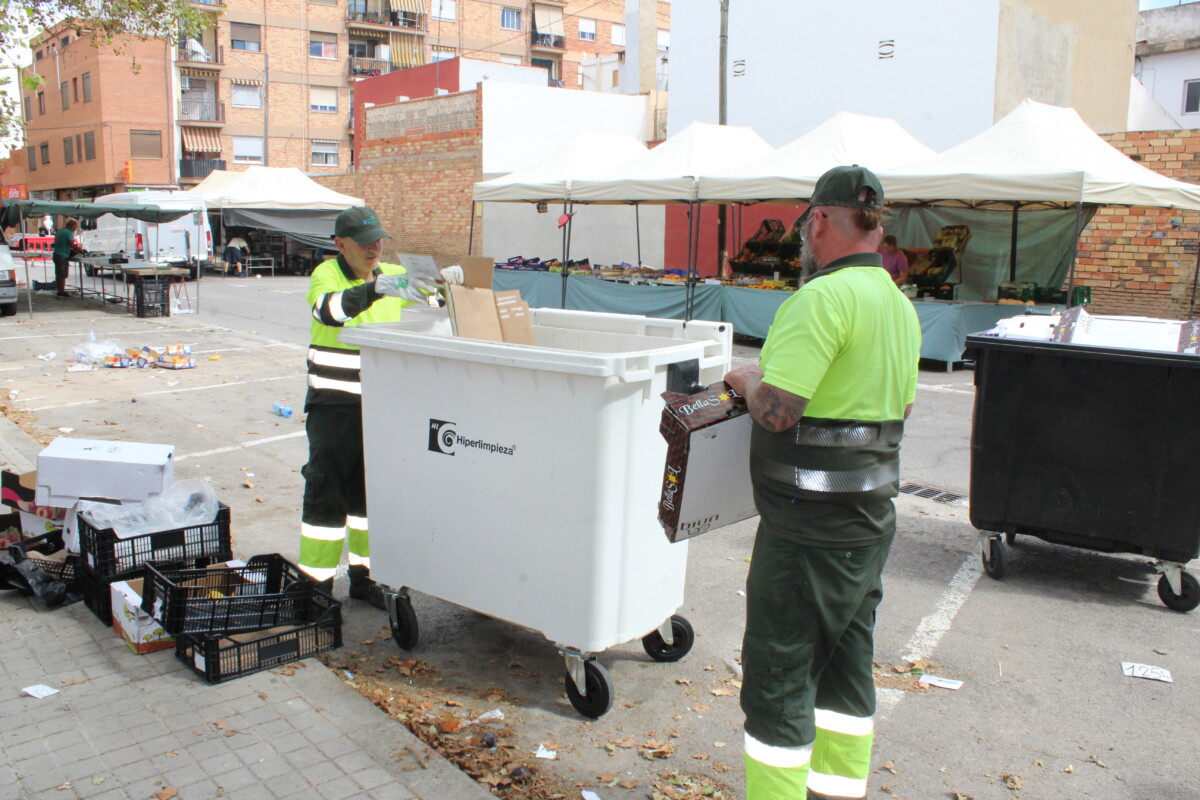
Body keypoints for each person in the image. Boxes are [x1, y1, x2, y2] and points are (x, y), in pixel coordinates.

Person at [723, 165, 922, 800]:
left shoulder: (819, 301)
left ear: (819, 221)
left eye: (810, 223)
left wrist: (745, 379)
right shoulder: (898, 306)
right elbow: (903, 408)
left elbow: (779, 410)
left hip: (806, 533)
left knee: (779, 681)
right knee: (844, 678)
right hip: (868, 530)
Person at [299, 206, 462, 607]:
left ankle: (365, 577)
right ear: (340, 245)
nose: (375, 248)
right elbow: (329, 311)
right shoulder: (328, 275)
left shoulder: (390, 274)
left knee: (368, 499)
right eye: (365, 242)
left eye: (379, 240)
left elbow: (433, 299)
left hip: (381, 408)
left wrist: (448, 287)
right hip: (335, 407)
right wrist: (377, 290)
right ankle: (315, 588)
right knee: (327, 494)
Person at [52, 219, 82, 297]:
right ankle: (62, 291)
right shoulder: (68, 233)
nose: (75, 229)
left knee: (58, 274)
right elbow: (71, 244)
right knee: (62, 275)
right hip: (63, 256)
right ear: (71, 226)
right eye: (75, 227)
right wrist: (80, 250)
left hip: (56, 254)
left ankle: (59, 290)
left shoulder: (60, 231)